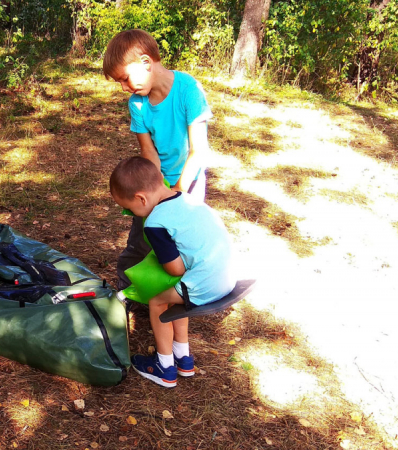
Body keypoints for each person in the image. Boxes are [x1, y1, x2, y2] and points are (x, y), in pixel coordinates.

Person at [103, 29, 215, 290]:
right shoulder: (138, 104)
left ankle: (179, 295)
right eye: (120, 82)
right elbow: (149, 153)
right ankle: (126, 293)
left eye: (125, 79)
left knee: (182, 242)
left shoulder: (188, 90)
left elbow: (198, 151)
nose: (124, 87)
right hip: (156, 184)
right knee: (142, 241)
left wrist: (176, 194)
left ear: (145, 63)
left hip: (188, 183)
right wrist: (156, 194)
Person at [109, 156, 235, 387]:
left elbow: (175, 268)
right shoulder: (186, 198)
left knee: (157, 299)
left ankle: (164, 366)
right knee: (178, 294)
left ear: (141, 198)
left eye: (128, 209)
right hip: (227, 278)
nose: (131, 214)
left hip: (206, 285)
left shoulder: (155, 221)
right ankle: (183, 358)